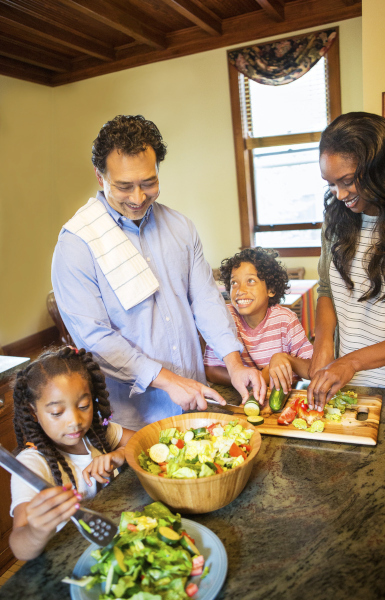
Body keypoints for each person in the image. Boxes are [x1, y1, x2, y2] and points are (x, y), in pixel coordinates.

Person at [52, 115, 266, 431]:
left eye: (149, 183)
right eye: (124, 186)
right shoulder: (77, 244)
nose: (138, 198)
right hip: (132, 421)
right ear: (100, 177)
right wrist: (166, 381)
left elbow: (205, 300)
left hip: (195, 402)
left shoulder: (181, 227)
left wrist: (234, 361)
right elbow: (95, 338)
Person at [307, 112, 385, 411]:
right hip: (347, 387)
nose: (340, 194)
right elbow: (327, 291)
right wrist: (323, 345)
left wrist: (352, 362)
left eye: (347, 180)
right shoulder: (335, 221)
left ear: (379, 167)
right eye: (331, 183)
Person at [9, 346, 135, 560]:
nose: (75, 421)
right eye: (57, 412)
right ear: (33, 411)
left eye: (84, 406)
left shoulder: (98, 433)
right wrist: (36, 531)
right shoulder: (31, 463)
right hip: (68, 560)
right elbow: (19, 547)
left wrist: (121, 454)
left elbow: (146, 439)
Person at [204, 248, 313, 394]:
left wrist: (288, 359)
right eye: (234, 283)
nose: (240, 290)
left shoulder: (286, 320)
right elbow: (210, 370)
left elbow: (312, 368)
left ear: (271, 289)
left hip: (284, 398)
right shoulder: (225, 318)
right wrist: (254, 380)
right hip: (243, 397)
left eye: (250, 281)